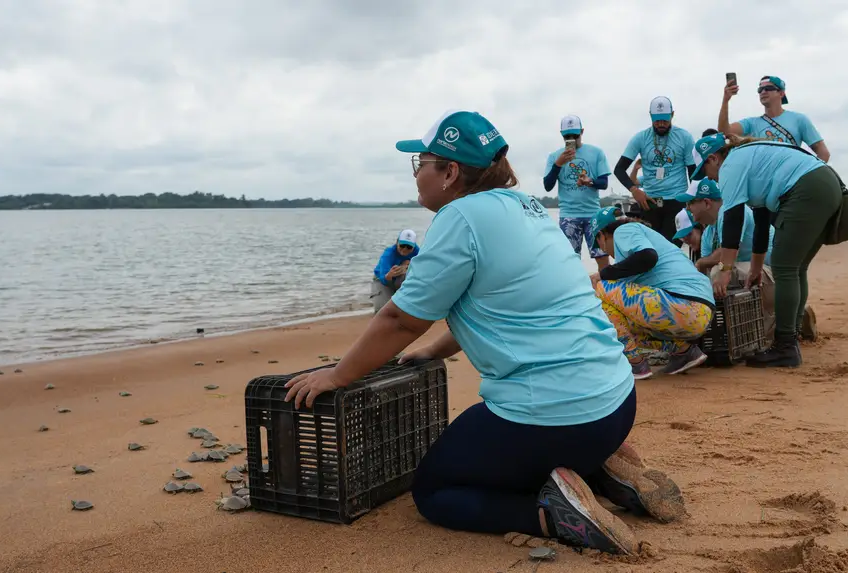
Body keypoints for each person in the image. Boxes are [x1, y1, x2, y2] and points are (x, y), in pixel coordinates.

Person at [284, 109, 684, 555]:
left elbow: (401, 320)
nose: (417, 175)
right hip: (616, 402)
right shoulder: (526, 206)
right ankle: (600, 471)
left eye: (423, 163)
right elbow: (497, 301)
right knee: (508, 446)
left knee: (435, 490)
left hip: (559, 416)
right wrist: (435, 349)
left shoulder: (460, 219)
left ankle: (554, 515)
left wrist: (338, 376)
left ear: (451, 172)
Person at [691, 132, 842, 367]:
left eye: (705, 171)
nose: (708, 178)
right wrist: (756, 268)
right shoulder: (750, 161)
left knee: (784, 266)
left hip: (806, 188)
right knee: (796, 267)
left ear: (713, 159)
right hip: (825, 184)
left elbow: (733, 218)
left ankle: (785, 346)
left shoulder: (731, 165)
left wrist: (725, 269)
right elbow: (761, 221)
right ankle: (792, 332)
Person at [588, 206, 715, 380]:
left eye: (599, 243)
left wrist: (603, 274)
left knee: (599, 288)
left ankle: (635, 364)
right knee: (622, 322)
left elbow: (648, 257)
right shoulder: (642, 238)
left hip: (685, 305)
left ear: (602, 235)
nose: (604, 250)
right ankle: (684, 351)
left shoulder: (623, 231)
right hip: (699, 313)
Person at [677, 179, 776, 341]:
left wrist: (702, 263)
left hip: (771, 276)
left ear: (707, 202)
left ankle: (780, 319)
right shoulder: (709, 232)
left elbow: (727, 252)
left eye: (690, 203)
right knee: (709, 279)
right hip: (754, 278)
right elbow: (704, 273)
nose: (688, 208)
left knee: (718, 272)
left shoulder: (733, 211)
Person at [614, 96, 697, 244]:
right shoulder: (640, 138)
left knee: (670, 248)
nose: (661, 124)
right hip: (649, 202)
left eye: (665, 120)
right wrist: (635, 190)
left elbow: (693, 172)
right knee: (651, 249)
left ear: (672, 115)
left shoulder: (684, 137)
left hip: (676, 200)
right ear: (651, 116)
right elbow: (619, 169)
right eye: (657, 120)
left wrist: (693, 200)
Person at [543, 115, 612, 270]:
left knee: (602, 256)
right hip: (568, 215)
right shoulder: (554, 157)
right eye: (567, 136)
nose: (572, 139)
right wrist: (558, 165)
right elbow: (547, 186)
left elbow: (604, 184)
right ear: (561, 135)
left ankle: (605, 290)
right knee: (569, 261)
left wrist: (590, 181)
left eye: (575, 135)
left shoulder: (596, 153)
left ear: (582, 131)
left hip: (593, 214)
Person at [719, 75, 829, 162]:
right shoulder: (751, 123)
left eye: (768, 88)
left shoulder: (799, 119)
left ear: (781, 93)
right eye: (760, 89)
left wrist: (808, 175)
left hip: (790, 183)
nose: (763, 92)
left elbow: (823, 152)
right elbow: (724, 132)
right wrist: (726, 100)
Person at [370, 229, 420, 314]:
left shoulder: (417, 252)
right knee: (384, 312)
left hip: (402, 279)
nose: (405, 249)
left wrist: (409, 264)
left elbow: (424, 270)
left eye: (409, 247)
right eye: (402, 245)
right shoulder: (388, 254)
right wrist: (389, 276)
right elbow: (383, 278)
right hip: (382, 280)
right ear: (397, 242)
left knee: (410, 309)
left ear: (414, 246)